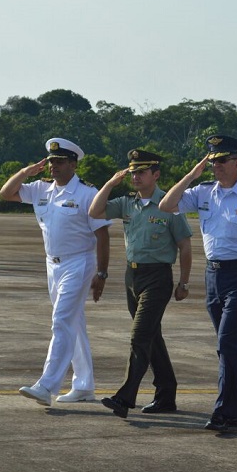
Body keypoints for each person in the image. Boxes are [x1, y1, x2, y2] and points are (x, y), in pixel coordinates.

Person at [159, 135, 237, 431]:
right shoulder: (202, 193)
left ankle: (225, 410)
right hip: (213, 276)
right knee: (232, 345)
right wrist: (191, 174)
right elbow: (166, 204)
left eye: (221, 161)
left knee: (226, 341)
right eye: (212, 161)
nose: (216, 166)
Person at [0, 137, 111, 406]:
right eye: (50, 162)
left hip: (80, 262)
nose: (53, 167)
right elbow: (6, 193)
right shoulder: (41, 190)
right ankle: (84, 385)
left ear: (73, 164)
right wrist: (26, 172)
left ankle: (46, 386)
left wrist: (102, 273)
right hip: (53, 264)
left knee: (61, 321)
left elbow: (103, 234)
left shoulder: (87, 193)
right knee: (74, 323)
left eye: (59, 162)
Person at [89, 149, 193, 418]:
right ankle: (166, 393)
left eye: (141, 172)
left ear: (155, 175)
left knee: (139, 337)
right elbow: (95, 210)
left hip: (158, 277)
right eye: (133, 172)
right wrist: (112, 183)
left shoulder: (169, 205)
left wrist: (183, 282)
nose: (135, 176)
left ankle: (124, 398)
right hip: (132, 276)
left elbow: (185, 245)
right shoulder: (126, 203)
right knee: (151, 337)